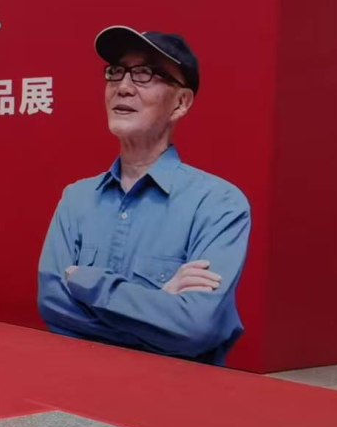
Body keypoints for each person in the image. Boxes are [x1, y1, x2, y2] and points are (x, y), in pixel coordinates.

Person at [38, 28, 251, 365]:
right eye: (116, 72)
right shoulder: (76, 198)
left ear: (180, 103)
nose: (123, 86)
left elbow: (196, 327)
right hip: (77, 386)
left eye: (145, 73)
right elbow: (52, 305)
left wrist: (89, 283)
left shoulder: (219, 203)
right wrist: (158, 309)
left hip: (174, 394)